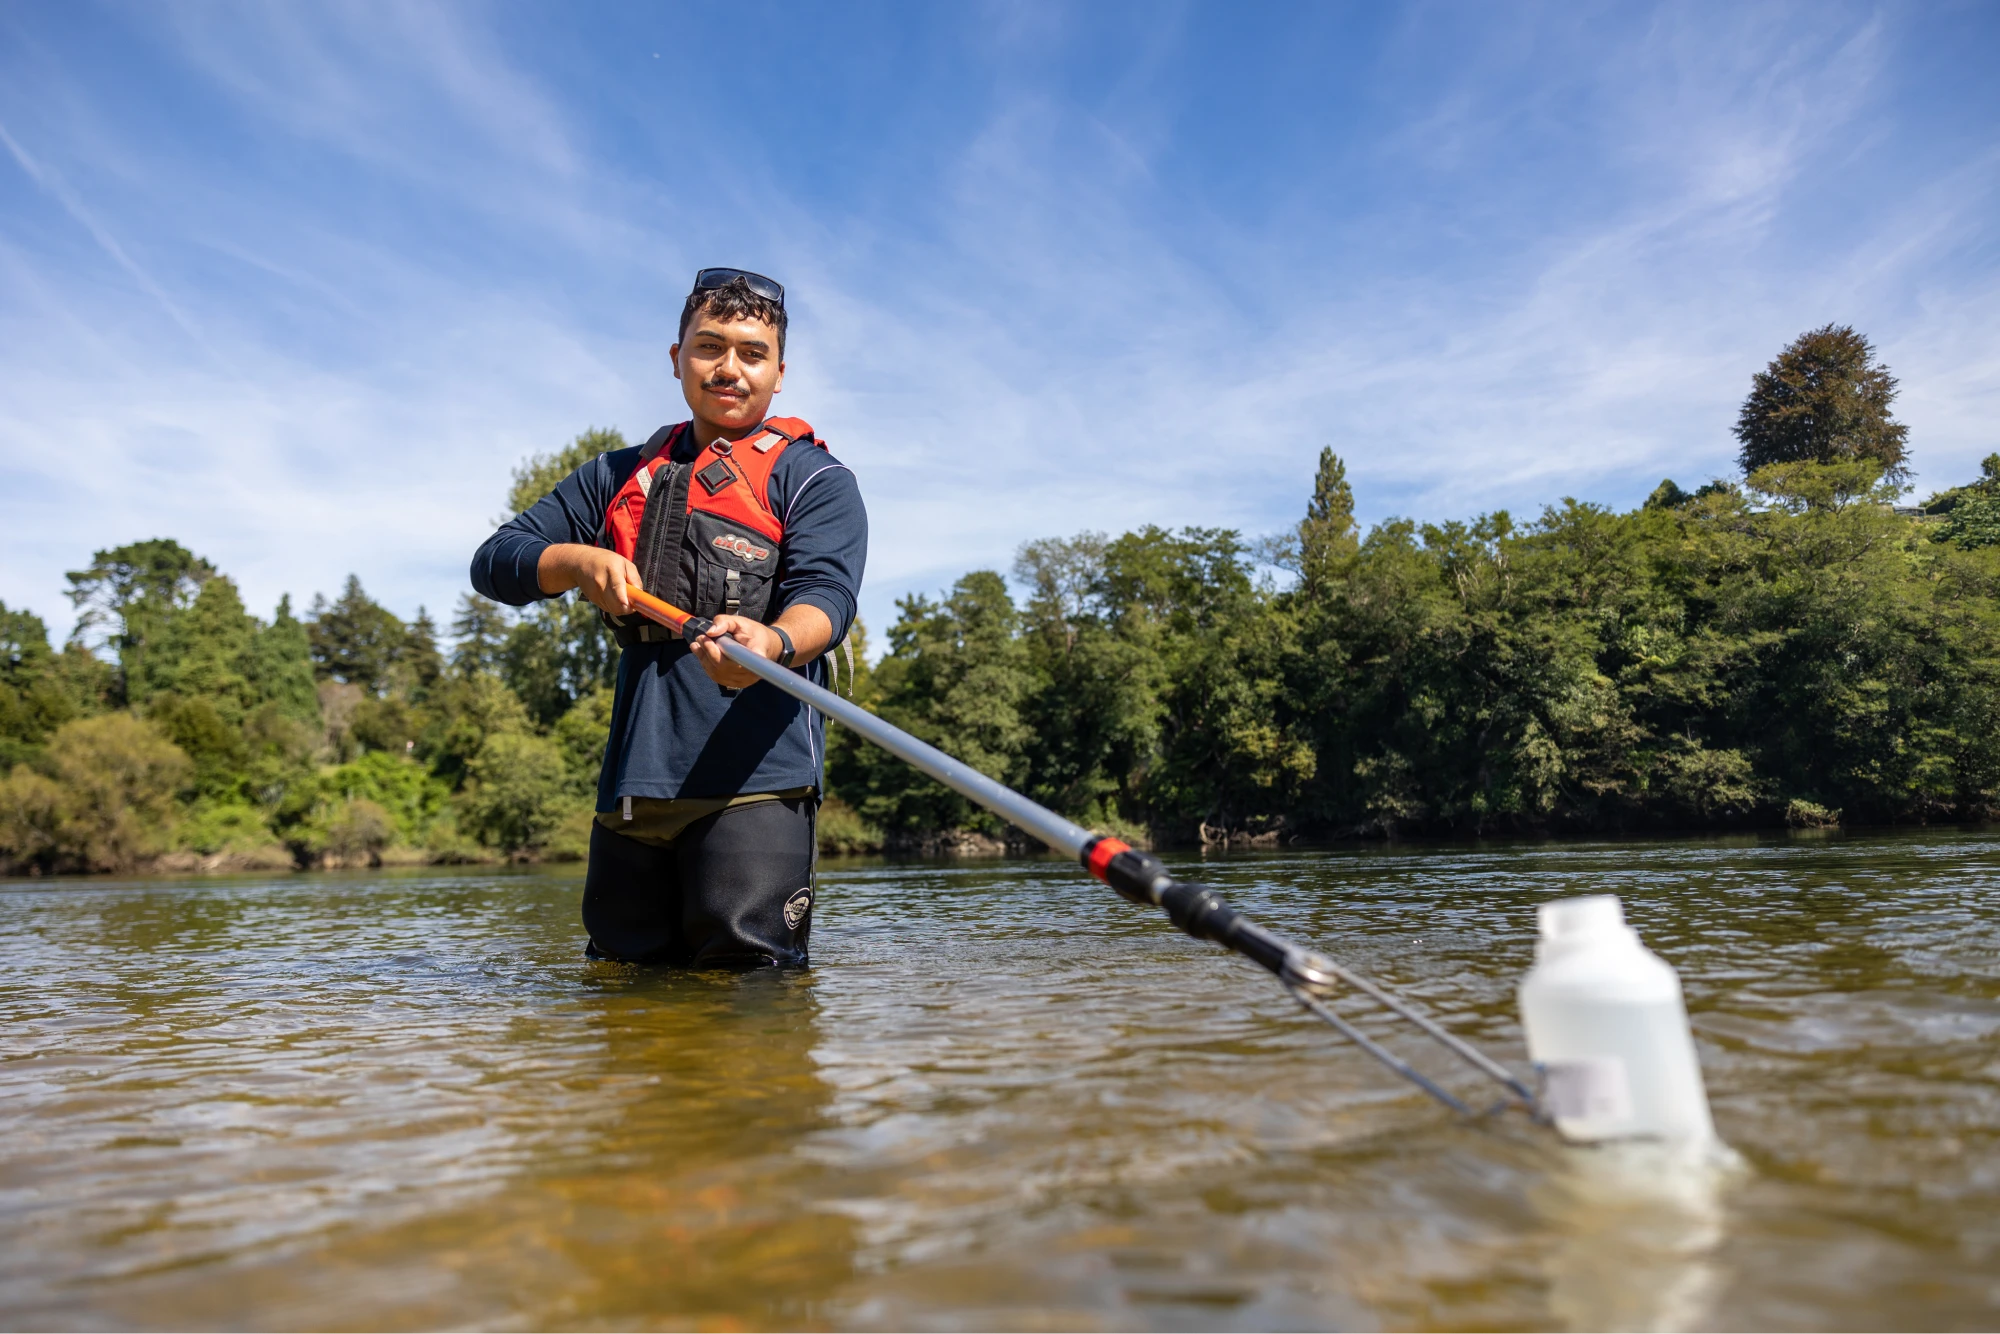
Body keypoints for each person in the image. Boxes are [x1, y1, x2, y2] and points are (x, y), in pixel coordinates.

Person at [471, 268, 867, 967]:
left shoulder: (815, 480)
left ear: (780, 374)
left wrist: (772, 643)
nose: (729, 368)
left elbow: (826, 600)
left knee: (756, 1000)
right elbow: (495, 562)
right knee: (625, 995)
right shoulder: (610, 476)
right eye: (710, 346)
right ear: (676, 357)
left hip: (757, 782)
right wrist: (572, 563)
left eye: (752, 353)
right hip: (633, 785)